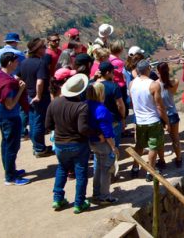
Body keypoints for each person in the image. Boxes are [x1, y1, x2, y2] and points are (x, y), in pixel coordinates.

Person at [45, 73, 93, 213]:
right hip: (78, 144)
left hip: (60, 144)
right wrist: (95, 133)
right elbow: (82, 129)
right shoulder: (81, 107)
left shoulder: (54, 103)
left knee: (62, 169)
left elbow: (48, 125)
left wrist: (60, 129)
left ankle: (58, 198)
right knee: (81, 173)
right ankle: (79, 203)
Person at [0, 52, 30, 185]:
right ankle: (10, 177)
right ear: (10, 63)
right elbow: (10, 104)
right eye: (16, 61)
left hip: (1, 115)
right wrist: (20, 90)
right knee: (12, 147)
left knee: (6, 145)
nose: (18, 63)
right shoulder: (8, 83)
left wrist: (16, 82)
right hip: (10, 117)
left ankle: (10, 170)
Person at [130, 60, 168, 181]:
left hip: (139, 120)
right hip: (152, 120)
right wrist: (166, 120)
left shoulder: (131, 84)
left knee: (139, 145)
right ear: (148, 69)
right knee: (153, 146)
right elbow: (159, 106)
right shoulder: (153, 85)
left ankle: (135, 168)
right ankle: (150, 172)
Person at [18, 38, 53, 157]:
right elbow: (40, 82)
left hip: (28, 95)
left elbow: (17, 77)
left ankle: (37, 146)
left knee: (33, 122)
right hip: (40, 97)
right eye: (43, 47)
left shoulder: (24, 62)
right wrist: (38, 95)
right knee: (38, 122)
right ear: (37, 50)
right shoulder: (40, 63)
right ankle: (39, 148)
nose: (45, 49)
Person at [86, 82, 118, 204]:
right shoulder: (102, 109)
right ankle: (104, 196)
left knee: (97, 168)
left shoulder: (85, 106)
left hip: (92, 142)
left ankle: (96, 193)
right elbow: (107, 132)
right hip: (104, 144)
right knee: (106, 170)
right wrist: (113, 147)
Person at [0, 32, 28, 138]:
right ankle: (21, 131)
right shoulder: (18, 54)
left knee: (2, 104)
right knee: (17, 106)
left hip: (1, 81)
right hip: (15, 82)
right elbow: (24, 67)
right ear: (15, 42)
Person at [157, 62, 182, 168]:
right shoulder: (174, 82)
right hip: (172, 113)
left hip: (160, 114)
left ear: (158, 72)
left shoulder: (155, 84)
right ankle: (179, 158)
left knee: (160, 140)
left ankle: (162, 161)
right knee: (175, 138)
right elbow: (173, 89)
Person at [97, 62, 125, 148]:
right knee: (114, 146)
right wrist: (122, 118)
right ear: (107, 73)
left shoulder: (92, 85)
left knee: (102, 148)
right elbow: (120, 105)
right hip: (113, 120)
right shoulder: (113, 86)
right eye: (113, 72)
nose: (114, 74)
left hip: (98, 120)